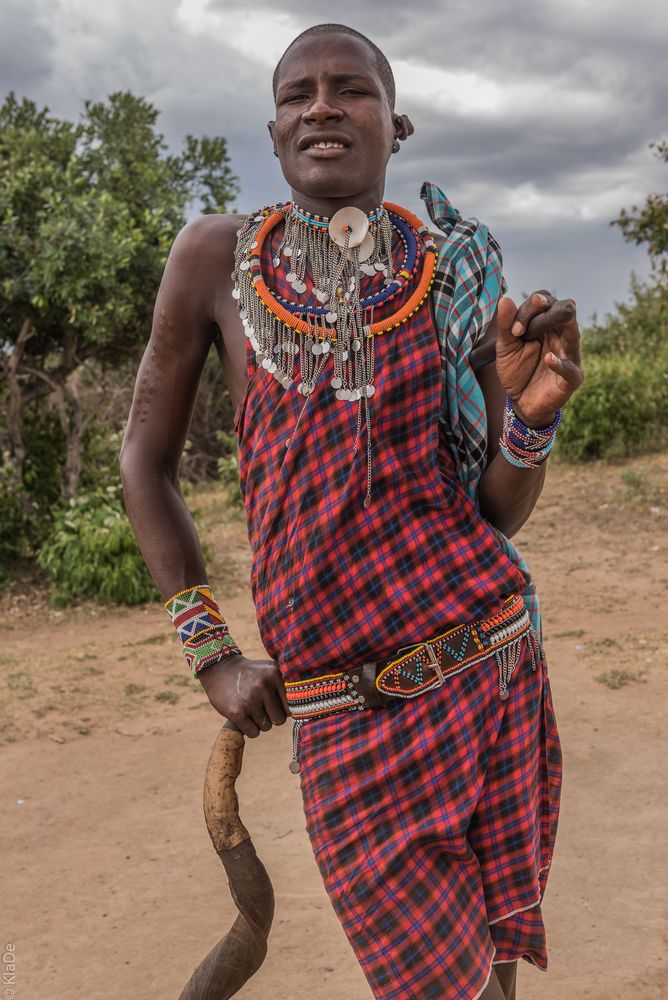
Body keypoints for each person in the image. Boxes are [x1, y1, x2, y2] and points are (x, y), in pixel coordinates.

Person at [120, 22, 583, 1000]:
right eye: (297, 94)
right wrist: (209, 650)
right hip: (350, 714)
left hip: (492, 669)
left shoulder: (449, 275)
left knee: (485, 977)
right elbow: (145, 462)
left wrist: (531, 421)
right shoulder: (215, 259)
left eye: (350, 89)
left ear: (395, 123)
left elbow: (492, 515)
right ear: (275, 130)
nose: (321, 105)